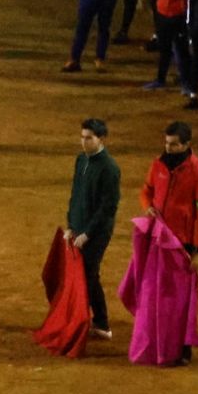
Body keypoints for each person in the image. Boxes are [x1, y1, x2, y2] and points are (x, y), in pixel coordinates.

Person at [139, 121, 198, 366]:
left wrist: (197, 249)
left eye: (174, 144)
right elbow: (146, 190)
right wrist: (147, 206)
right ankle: (159, 340)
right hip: (158, 240)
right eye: (166, 143)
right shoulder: (158, 164)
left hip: (182, 246)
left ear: (186, 144)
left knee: (181, 301)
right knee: (156, 293)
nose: (168, 148)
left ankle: (183, 349)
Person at [64, 117, 120, 340]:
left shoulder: (110, 168)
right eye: (82, 137)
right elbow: (75, 194)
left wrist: (87, 233)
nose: (84, 142)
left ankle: (102, 322)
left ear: (101, 139)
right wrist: (70, 226)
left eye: (89, 138)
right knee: (79, 275)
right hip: (79, 227)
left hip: (97, 232)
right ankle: (83, 318)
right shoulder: (81, 160)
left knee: (89, 274)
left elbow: (108, 207)